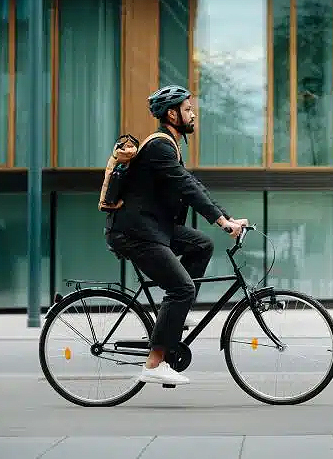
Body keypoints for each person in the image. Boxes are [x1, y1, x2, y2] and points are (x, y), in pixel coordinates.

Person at [105, 85, 248, 386]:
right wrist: (222, 222)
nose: (193, 113)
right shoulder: (159, 146)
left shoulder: (171, 145)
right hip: (136, 232)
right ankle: (154, 364)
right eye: (187, 109)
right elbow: (187, 187)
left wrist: (228, 217)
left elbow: (195, 186)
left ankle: (176, 316)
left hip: (154, 227)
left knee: (201, 245)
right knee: (182, 288)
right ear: (172, 114)